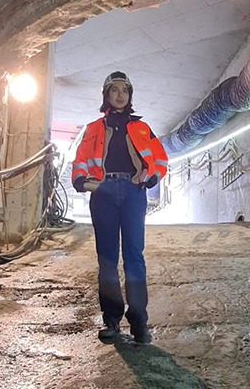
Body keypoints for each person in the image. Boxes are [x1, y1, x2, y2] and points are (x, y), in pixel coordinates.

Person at [72, 71, 168, 343]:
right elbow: (80, 159)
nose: (119, 94)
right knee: (107, 259)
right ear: (106, 95)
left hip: (133, 192)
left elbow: (160, 159)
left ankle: (139, 322)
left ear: (130, 95)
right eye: (114, 90)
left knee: (134, 256)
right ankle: (112, 321)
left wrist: (152, 176)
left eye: (124, 90)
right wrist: (80, 178)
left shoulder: (142, 128)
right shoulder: (92, 129)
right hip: (102, 193)